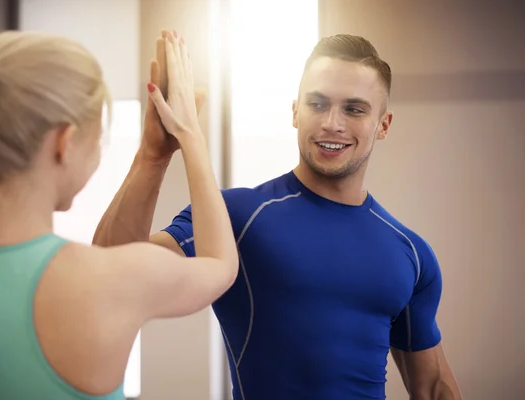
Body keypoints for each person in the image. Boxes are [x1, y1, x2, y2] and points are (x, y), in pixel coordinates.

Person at [94, 34, 463, 400]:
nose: (332, 123)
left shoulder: (412, 254)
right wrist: (153, 155)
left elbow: (432, 387)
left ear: (383, 125)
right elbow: (111, 271)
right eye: (317, 104)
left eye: (354, 109)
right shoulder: (235, 217)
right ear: (294, 112)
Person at [0, 29, 239, 399]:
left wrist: (153, 156)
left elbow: (110, 252)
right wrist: (189, 132)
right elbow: (220, 264)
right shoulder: (108, 281)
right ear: (65, 142)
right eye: (98, 138)